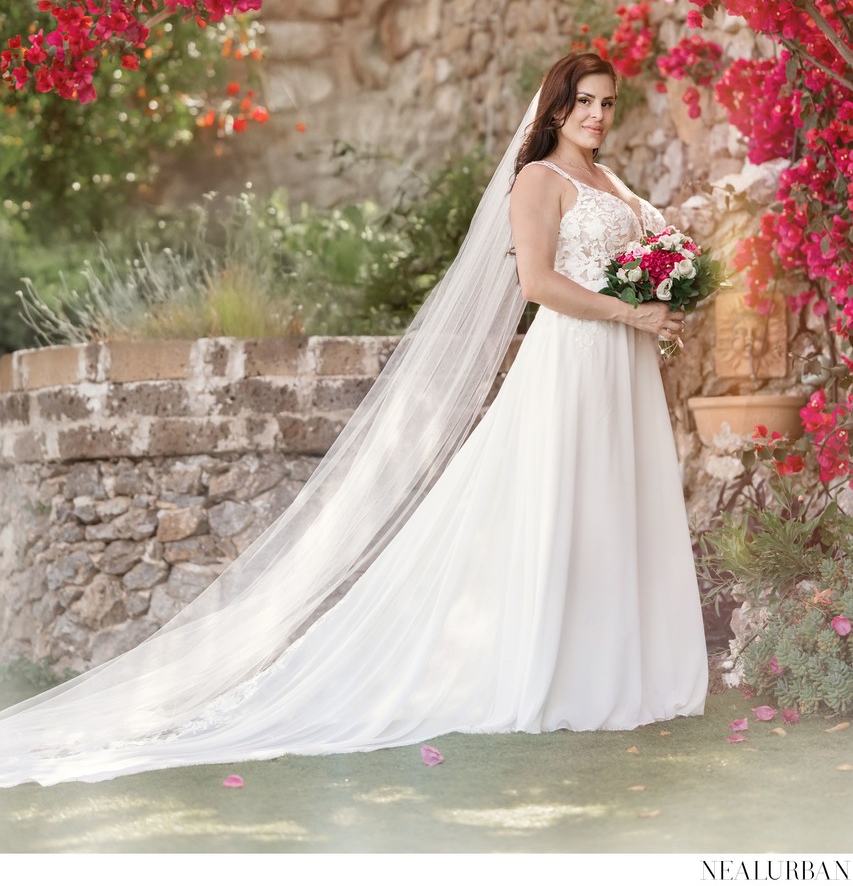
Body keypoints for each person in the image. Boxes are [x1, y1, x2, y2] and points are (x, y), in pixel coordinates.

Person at [0, 52, 707, 787]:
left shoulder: (609, 181)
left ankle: (621, 667)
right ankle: (554, 672)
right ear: (553, 108)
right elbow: (537, 282)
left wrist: (664, 300)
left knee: (614, 508)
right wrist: (630, 310)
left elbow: (642, 258)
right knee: (566, 510)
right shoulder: (539, 180)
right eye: (582, 102)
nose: (595, 115)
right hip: (573, 364)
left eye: (606, 103)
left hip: (622, 363)